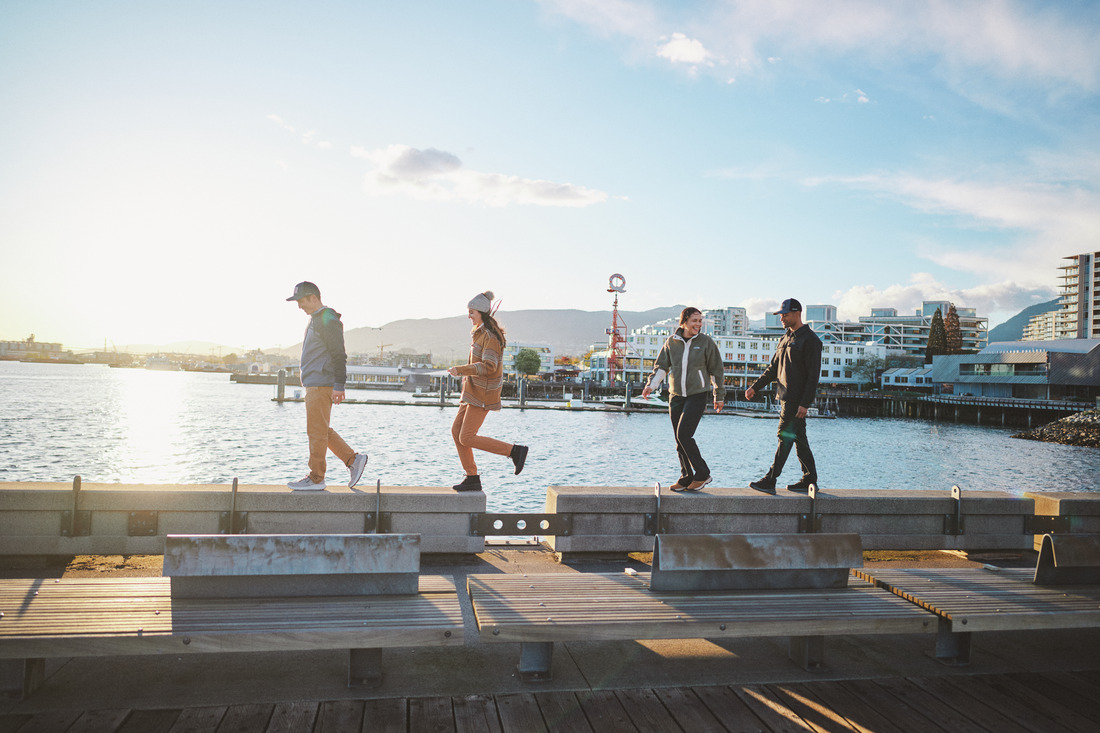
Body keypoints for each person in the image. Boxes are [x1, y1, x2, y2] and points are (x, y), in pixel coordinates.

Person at [285, 281, 368, 491]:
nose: (299, 306)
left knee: (316, 431)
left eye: (301, 301)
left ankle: (316, 478)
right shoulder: (318, 319)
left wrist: (339, 384)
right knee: (320, 429)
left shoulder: (326, 319)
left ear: (313, 297)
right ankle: (353, 460)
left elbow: (338, 353)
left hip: (321, 383)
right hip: (316, 382)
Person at [446, 291, 528, 492]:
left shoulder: (490, 337)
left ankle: (514, 451)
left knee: (466, 437)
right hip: (471, 392)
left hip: (482, 394)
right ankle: (472, 477)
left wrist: (461, 370)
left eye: (471, 312)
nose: (469, 316)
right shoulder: (479, 333)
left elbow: (489, 366)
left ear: (481, 312)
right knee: (456, 432)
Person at [641, 307, 726, 492]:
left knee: (684, 434)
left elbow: (716, 371)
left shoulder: (706, 342)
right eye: (694, 320)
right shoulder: (672, 342)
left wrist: (719, 395)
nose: (698, 324)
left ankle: (702, 473)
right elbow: (661, 367)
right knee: (679, 440)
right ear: (684, 322)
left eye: (700, 321)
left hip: (697, 395)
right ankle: (687, 476)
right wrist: (651, 385)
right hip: (676, 396)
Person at [744, 298, 823, 494]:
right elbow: (773, 369)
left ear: (798, 313)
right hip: (785, 397)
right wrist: (755, 386)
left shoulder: (811, 341)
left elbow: (813, 377)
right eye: (781, 315)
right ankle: (809, 479)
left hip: (797, 400)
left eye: (785, 315)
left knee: (784, 436)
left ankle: (770, 480)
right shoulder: (785, 338)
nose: (782, 318)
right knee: (799, 439)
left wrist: (805, 403)